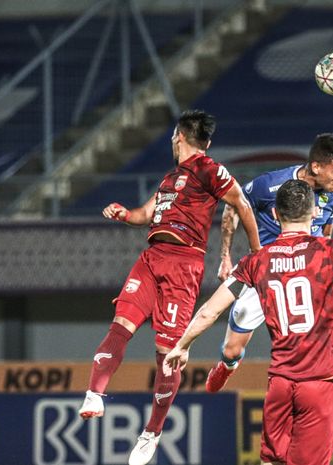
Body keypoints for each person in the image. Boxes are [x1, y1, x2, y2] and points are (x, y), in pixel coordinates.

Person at [77, 110, 261, 465]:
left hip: (183, 266)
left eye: (174, 137)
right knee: (121, 324)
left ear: (178, 136)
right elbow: (144, 215)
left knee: (168, 355)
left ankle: (152, 433)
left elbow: (241, 203)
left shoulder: (210, 169)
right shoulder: (170, 177)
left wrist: (256, 253)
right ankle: (94, 394)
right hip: (151, 258)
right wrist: (123, 213)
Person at [165, 179, 333, 465]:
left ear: (274, 215)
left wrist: (183, 345)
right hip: (322, 382)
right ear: (314, 214)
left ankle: (229, 362)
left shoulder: (257, 261)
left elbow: (210, 310)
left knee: (270, 461)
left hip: (281, 383)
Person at [206, 132, 333, 392]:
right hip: (267, 271)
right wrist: (225, 256)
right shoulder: (270, 186)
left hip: (306, 273)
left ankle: (324, 383)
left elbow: (327, 235)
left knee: (327, 333)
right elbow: (233, 206)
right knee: (232, 348)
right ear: (316, 166)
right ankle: (227, 365)